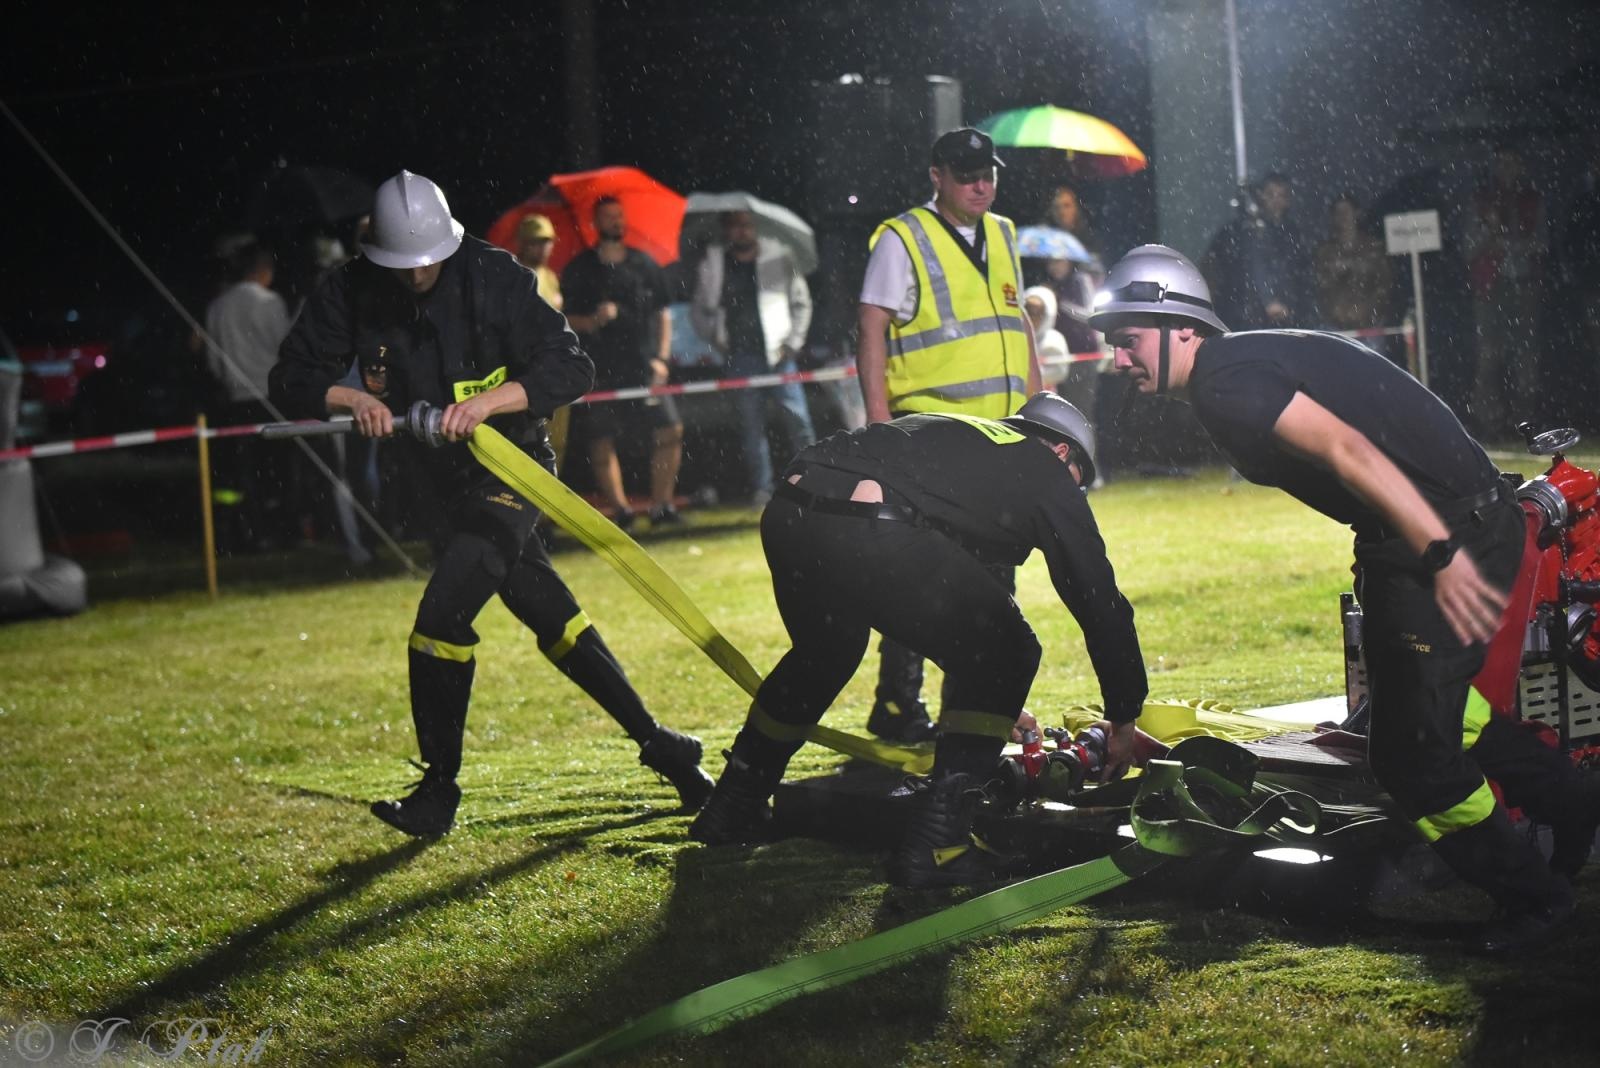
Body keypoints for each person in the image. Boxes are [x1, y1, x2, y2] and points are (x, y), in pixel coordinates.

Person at [1091, 244, 1600, 954]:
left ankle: (1536, 900)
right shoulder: (1240, 362)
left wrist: (1437, 549)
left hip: (1438, 535)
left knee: (1415, 759)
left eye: (1128, 340)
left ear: (1183, 327)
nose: (1118, 359)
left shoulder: (1223, 381)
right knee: (1444, 718)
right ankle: (1575, 812)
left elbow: (1350, 450)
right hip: (1429, 531)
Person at [269, 171, 712, 836]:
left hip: (512, 468)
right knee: (549, 613)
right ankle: (664, 747)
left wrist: (487, 404)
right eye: (401, 265)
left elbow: (571, 367)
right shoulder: (350, 288)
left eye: (428, 262)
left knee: (441, 619)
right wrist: (351, 397)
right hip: (436, 485)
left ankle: (438, 789)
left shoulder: (494, 276)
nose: (416, 275)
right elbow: (290, 377)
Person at [688, 394, 1147, 888]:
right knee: (1011, 650)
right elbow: (1099, 600)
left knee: (824, 654)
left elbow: (931, 606)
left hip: (792, 506)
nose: (1076, 492)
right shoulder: (1046, 471)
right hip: (870, 520)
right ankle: (938, 847)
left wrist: (994, 706)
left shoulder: (964, 438)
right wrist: (1123, 717)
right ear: (1062, 452)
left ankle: (734, 803)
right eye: (1080, 479)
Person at [854, 125, 1044, 744]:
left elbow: (1018, 324)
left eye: (988, 174)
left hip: (1001, 438)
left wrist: (1040, 408)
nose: (981, 186)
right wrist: (879, 424)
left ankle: (972, 708)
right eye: (967, 177)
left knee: (994, 577)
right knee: (923, 578)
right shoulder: (902, 238)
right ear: (937, 177)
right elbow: (871, 327)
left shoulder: (1003, 233)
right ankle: (899, 705)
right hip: (929, 439)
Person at [561, 196, 684, 530]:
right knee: (601, 438)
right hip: (599, 368)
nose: (616, 221)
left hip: (644, 364)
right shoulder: (580, 268)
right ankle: (621, 511)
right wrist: (592, 321)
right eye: (608, 216)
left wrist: (661, 359)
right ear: (595, 223)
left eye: (619, 215)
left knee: (670, 428)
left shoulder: (644, 263)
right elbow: (564, 318)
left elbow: (662, 314)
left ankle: (662, 506)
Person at [690, 208, 816, 506]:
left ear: (756, 227)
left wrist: (793, 343)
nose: (742, 231)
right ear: (726, 230)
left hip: (780, 355)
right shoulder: (714, 263)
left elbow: (801, 303)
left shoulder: (779, 257)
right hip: (740, 358)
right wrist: (717, 339)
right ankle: (763, 489)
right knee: (750, 427)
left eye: (746, 225)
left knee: (798, 421)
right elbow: (700, 309)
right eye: (735, 225)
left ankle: (813, 481)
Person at [204, 238, 293, 550]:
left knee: (246, 471)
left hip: (236, 400)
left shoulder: (217, 306)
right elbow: (286, 349)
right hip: (270, 396)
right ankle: (282, 531)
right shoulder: (270, 302)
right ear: (264, 270)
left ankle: (251, 532)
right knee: (279, 469)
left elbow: (213, 361)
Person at [1462, 145, 1548, 437]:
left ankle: (1524, 420)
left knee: (1526, 354)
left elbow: (1542, 244)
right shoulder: (1480, 201)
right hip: (1490, 286)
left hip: (1525, 284)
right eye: (1501, 162)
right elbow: (1469, 248)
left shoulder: (1532, 200)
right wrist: (1490, 232)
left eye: (1512, 162)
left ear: (1521, 167)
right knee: (1489, 353)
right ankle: (1488, 421)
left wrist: (1510, 243)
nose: (1507, 169)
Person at [1201, 172, 1314, 330]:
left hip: (1287, 318)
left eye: (1281, 195)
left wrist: (1293, 306)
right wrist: (1269, 301)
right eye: (1270, 194)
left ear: (1288, 200)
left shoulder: (1293, 233)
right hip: (1244, 317)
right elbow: (1252, 267)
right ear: (1261, 197)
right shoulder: (1241, 231)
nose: (1276, 200)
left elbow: (1299, 274)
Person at [1312, 193, 1394, 336]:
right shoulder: (1324, 251)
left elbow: (1385, 283)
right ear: (1333, 217)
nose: (1343, 216)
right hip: (1336, 327)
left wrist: (1371, 309)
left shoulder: (1373, 247)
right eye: (1338, 212)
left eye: (1346, 211)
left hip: (1371, 325)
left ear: (1357, 213)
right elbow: (1320, 287)